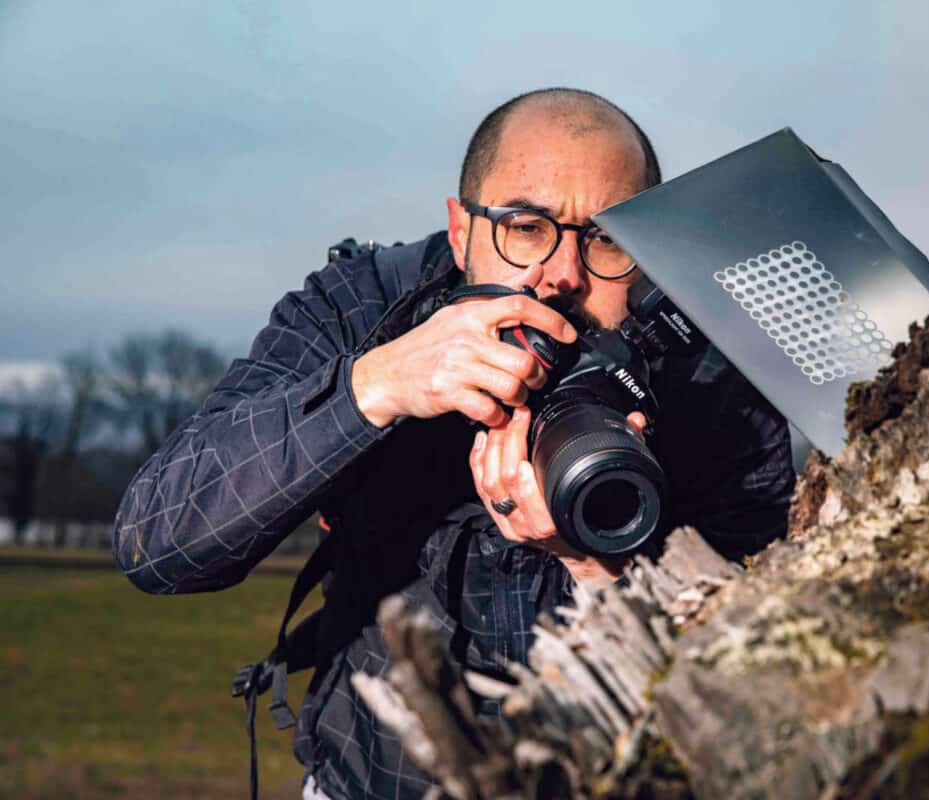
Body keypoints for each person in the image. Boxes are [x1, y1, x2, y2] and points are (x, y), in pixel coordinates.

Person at [114, 87, 795, 800]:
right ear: (462, 230)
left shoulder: (714, 376)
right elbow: (158, 543)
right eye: (526, 227)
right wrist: (373, 388)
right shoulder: (365, 308)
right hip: (367, 778)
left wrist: (601, 567)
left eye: (606, 237)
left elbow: (756, 688)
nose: (563, 274)